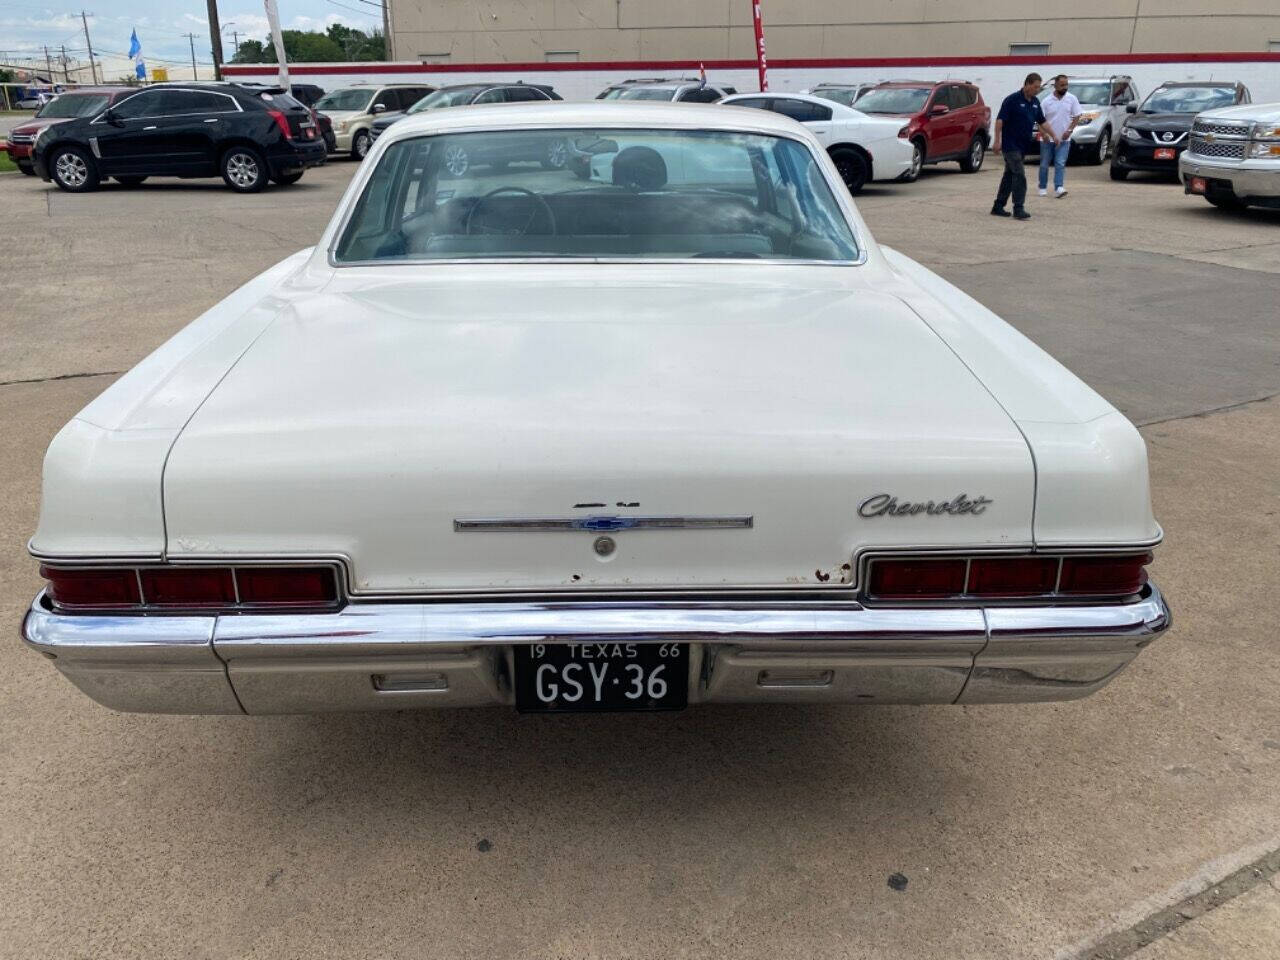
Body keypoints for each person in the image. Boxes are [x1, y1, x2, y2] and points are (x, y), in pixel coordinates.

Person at [991, 73, 1059, 220]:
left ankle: (998, 205)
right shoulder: (1012, 100)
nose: (1037, 90)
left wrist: (1053, 135)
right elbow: (1000, 121)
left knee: (1009, 176)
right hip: (1010, 145)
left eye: (1038, 88)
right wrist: (997, 141)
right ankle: (1018, 208)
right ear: (1026, 84)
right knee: (1019, 175)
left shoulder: (1035, 102)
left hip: (1023, 146)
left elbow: (1042, 121)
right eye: (1035, 87)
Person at [1039, 75, 1081, 197]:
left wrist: (1070, 130)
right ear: (1055, 85)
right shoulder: (1046, 101)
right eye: (1062, 85)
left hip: (1064, 140)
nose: (1065, 87)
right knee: (1044, 164)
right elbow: (1040, 120)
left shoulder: (1071, 99)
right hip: (1047, 140)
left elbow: (1077, 115)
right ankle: (1042, 187)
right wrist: (1044, 133)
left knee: (1060, 163)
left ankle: (1059, 187)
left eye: (1066, 85)